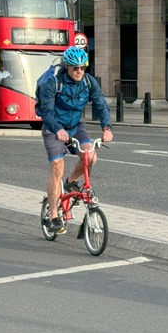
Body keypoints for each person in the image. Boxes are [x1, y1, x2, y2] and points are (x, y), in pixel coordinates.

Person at [36, 46, 113, 234]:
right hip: (54, 128)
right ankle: (53, 216)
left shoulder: (89, 82)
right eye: (75, 68)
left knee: (90, 156)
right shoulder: (53, 83)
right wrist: (58, 129)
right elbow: (46, 111)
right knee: (57, 167)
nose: (79, 71)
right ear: (67, 67)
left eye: (82, 67)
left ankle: (71, 181)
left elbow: (100, 104)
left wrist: (107, 127)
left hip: (75, 128)